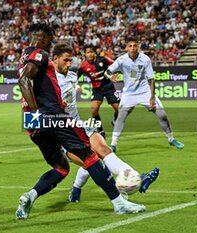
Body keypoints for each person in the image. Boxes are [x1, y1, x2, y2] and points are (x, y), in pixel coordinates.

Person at [15, 23, 146, 220]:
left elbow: (27, 81)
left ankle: (30, 196)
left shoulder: (24, 54)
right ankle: (119, 203)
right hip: (51, 115)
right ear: (42, 38)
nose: (50, 47)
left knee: (61, 167)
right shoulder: (40, 54)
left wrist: (33, 118)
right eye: (50, 42)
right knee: (89, 156)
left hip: (32, 123)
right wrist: (37, 114)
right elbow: (24, 80)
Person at [53, 43, 159, 202]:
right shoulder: (47, 80)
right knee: (91, 162)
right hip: (60, 132)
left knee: (103, 149)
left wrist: (110, 76)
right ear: (55, 59)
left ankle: (137, 178)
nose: (69, 64)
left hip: (78, 125)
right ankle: (77, 189)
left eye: (71, 60)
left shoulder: (71, 75)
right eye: (65, 60)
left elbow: (108, 70)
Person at [104, 37, 184, 152]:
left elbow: (151, 79)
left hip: (144, 91)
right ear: (126, 47)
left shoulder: (145, 59)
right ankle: (113, 145)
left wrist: (151, 97)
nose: (132, 48)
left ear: (138, 47)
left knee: (162, 115)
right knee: (120, 117)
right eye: (130, 46)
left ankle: (171, 139)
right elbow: (107, 72)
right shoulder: (121, 60)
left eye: (135, 45)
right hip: (129, 94)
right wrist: (111, 77)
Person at [77, 44, 120, 139]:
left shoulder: (103, 59)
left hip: (108, 86)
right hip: (97, 89)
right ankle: (100, 130)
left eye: (91, 52)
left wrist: (114, 74)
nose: (90, 54)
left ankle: (115, 120)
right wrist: (76, 85)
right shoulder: (83, 66)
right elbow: (75, 77)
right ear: (84, 54)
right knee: (94, 109)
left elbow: (116, 64)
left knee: (119, 109)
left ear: (94, 52)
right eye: (88, 52)